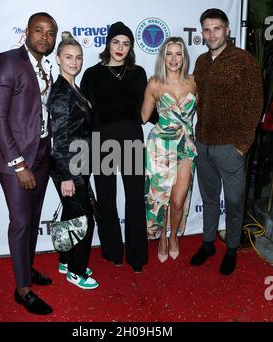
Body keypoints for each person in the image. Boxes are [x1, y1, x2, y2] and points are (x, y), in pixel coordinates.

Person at [0, 12, 58, 314]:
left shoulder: (43, 67)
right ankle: (22, 289)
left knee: (34, 217)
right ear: (27, 31)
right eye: (39, 30)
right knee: (21, 222)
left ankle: (26, 270)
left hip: (41, 153)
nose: (45, 37)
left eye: (50, 32)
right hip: (16, 160)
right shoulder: (6, 62)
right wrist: (18, 164)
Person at [190, 8, 263, 275]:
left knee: (233, 202)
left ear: (227, 30)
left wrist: (242, 145)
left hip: (231, 147)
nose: (211, 34)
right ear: (202, 32)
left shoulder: (244, 61)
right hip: (203, 144)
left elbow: (256, 103)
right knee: (209, 199)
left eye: (216, 28)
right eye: (207, 29)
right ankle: (208, 243)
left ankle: (231, 248)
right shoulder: (200, 62)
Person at [80, 21, 148, 272]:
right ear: (108, 43)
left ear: (131, 47)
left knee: (134, 200)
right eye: (116, 42)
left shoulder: (138, 73)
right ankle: (112, 252)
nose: (120, 47)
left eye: (126, 43)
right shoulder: (91, 74)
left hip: (131, 141)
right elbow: (84, 115)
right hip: (102, 143)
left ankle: (137, 256)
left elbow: (147, 111)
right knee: (106, 200)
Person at [48, 32, 98, 290]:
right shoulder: (61, 94)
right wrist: (67, 176)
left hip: (79, 162)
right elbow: (59, 139)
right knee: (83, 219)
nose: (74, 62)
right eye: (68, 57)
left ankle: (66, 260)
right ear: (57, 59)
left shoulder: (72, 87)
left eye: (78, 58)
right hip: (69, 166)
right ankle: (76, 272)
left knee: (72, 215)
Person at [141, 37, 197, 263]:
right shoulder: (154, 83)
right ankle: (162, 239)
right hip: (160, 146)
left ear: (184, 57)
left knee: (177, 201)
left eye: (178, 54)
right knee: (161, 199)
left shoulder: (194, 82)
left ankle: (173, 235)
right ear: (162, 57)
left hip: (186, 145)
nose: (174, 59)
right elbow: (144, 117)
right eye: (169, 54)